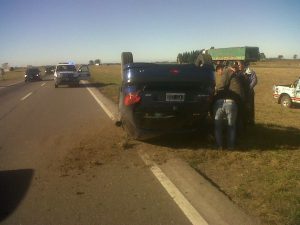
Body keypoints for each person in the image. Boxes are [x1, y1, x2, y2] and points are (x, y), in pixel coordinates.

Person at [213, 63, 245, 149]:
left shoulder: (226, 71)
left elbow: (222, 85)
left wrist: (214, 89)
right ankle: (233, 144)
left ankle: (220, 145)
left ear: (220, 69)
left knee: (228, 125)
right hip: (239, 99)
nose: (218, 73)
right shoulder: (232, 72)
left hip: (235, 98)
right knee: (235, 122)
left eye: (218, 71)